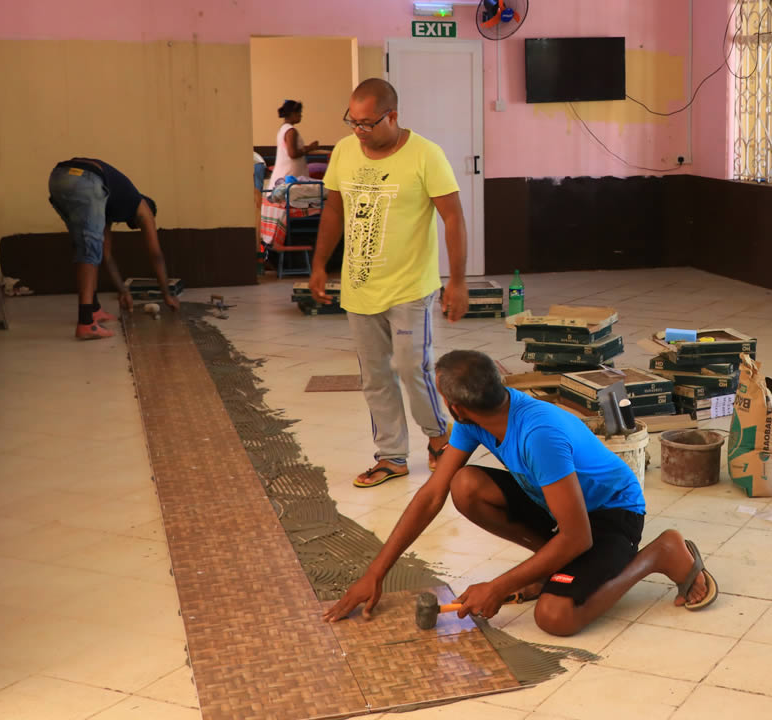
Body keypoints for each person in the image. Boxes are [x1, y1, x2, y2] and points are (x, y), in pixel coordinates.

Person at [322, 350, 719, 636]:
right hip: (558, 505)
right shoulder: (475, 420)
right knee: (465, 485)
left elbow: (578, 536)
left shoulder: (538, 434)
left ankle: (659, 554)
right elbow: (432, 494)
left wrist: (498, 586)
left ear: (455, 407)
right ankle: (550, 566)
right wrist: (375, 574)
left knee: (555, 617)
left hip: (610, 515)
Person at [309, 78, 470, 487]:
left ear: (392, 116)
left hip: (410, 287)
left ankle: (438, 438)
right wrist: (319, 265)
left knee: (411, 367)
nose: (358, 130)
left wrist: (458, 280)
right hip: (360, 288)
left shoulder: (425, 155)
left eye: (367, 123)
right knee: (375, 376)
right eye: (353, 122)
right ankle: (392, 456)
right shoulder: (345, 152)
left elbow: (453, 217)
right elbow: (333, 210)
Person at [47, 158, 178, 340]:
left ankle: (94, 309)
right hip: (86, 179)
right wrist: (167, 294)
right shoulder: (143, 206)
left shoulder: (110, 199)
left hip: (59, 178)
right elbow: (156, 254)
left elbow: (106, 254)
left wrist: (123, 291)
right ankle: (86, 323)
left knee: (87, 246)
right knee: (89, 249)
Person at [269, 100, 319, 187]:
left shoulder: (283, 129)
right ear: (292, 113)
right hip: (289, 175)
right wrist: (310, 148)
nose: (301, 115)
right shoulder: (291, 131)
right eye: (299, 112)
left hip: (287, 174)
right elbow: (292, 153)